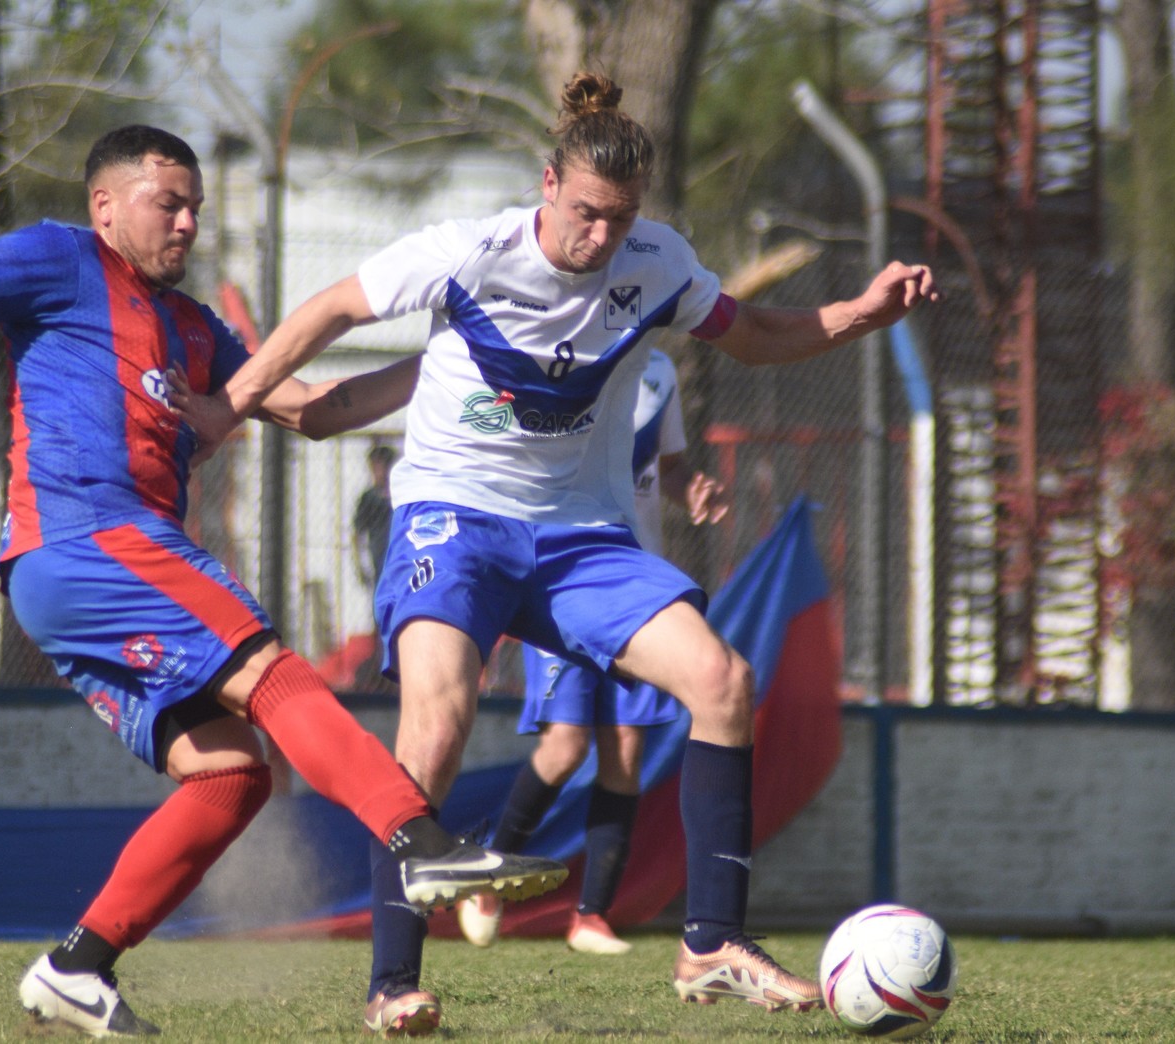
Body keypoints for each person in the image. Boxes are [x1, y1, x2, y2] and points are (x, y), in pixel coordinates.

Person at [0, 124, 566, 1038]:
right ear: (104, 205)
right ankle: (420, 842)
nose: (187, 224)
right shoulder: (60, 258)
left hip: (72, 577)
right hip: (92, 540)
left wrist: (451, 361)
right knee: (271, 671)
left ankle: (76, 968)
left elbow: (315, 411)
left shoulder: (191, 327)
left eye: (196, 209)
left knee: (231, 775)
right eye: (167, 204)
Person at [173, 72, 938, 1036]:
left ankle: (710, 944)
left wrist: (859, 315)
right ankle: (393, 983)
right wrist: (226, 406)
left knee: (721, 679)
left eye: (619, 220)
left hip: (581, 537)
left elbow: (754, 336)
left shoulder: (656, 263)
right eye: (584, 214)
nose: (600, 238)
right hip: (454, 518)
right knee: (438, 724)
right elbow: (327, 311)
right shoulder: (466, 253)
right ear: (546, 183)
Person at [456, 348, 726, 956]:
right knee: (566, 743)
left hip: (638, 586)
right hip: (564, 580)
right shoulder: (559, 349)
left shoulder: (661, 367)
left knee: (625, 751)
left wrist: (696, 489)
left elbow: (670, 467)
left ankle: (591, 916)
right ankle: (487, 877)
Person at [353, 442, 397, 589]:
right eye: (374, 467)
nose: (377, 472)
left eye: (381, 466)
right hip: (379, 563)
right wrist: (359, 565)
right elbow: (357, 533)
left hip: (402, 563)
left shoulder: (402, 496)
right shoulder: (368, 498)